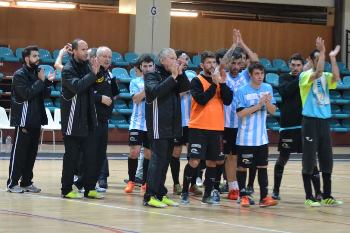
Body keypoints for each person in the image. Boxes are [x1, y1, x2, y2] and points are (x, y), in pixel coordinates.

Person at [180, 51, 233, 205]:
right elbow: (202, 100)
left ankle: (207, 194)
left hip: (216, 128)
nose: (211, 66)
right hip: (198, 127)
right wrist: (215, 84)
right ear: (202, 65)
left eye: (213, 63)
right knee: (195, 161)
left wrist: (221, 84)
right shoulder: (196, 81)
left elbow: (228, 100)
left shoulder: (220, 80)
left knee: (212, 162)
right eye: (208, 63)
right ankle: (185, 192)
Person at [143, 48, 190, 208]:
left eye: (176, 58)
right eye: (172, 58)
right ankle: (149, 196)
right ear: (162, 60)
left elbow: (185, 88)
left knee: (165, 160)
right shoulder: (151, 75)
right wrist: (174, 76)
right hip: (158, 124)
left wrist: (180, 73)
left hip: (172, 124)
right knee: (157, 160)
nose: (175, 61)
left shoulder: (173, 75)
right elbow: (156, 91)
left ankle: (160, 193)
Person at [299, 37, 343, 207]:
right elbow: (316, 73)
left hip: (324, 122)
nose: (320, 62)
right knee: (309, 160)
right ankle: (309, 196)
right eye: (317, 59)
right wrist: (323, 52)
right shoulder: (305, 75)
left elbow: (337, 78)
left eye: (321, 58)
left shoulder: (326, 75)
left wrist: (332, 58)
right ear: (311, 60)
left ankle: (327, 195)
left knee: (326, 159)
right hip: (310, 122)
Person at [272, 53, 321, 200]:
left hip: (305, 125)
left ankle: (318, 192)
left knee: (311, 159)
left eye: (298, 65)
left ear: (302, 66)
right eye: (293, 65)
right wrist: (301, 76)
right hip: (288, 126)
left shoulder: (307, 77)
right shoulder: (283, 78)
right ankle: (275, 190)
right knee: (283, 158)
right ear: (289, 65)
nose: (295, 68)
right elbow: (286, 91)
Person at [7, 45, 54, 193]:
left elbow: (44, 95)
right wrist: (41, 81)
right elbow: (26, 94)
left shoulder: (37, 73)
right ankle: (12, 183)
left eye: (38, 56)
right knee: (19, 153)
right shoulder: (19, 75)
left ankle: (26, 182)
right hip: (23, 119)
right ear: (27, 58)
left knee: (31, 153)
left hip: (36, 119)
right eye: (35, 56)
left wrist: (47, 82)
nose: (38, 59)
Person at [60, 39, 102, 199]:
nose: (86, 52)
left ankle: (90, 188)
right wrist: (93, 74)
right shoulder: (68, 69)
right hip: (73, 120)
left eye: (87, 49)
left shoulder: (87, 66)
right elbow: (78, 86)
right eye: (83, 49)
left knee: (90, 156)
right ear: (75, 51)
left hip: (88, 118)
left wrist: (95, 72)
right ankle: (66, 189)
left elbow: (95, 82)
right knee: (72, 157)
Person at [235, 62, 278, 208]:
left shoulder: (268, 88)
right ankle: (243, 196)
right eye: (257, 74)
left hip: (261, 138)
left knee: (262, 167)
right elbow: (240, 113)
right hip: (245, 138)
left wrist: (266, 103)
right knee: (242, 167)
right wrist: (258, 106)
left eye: (262, 74)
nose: (260, 77)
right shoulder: (242, 90)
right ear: (250, 75)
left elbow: (273, 111)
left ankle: (264, 197)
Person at [124, 54, 154, 193]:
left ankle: (145, 183)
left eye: (150, 66)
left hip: (152, 124)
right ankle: (131, 180)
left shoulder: (159, 81)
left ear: (153, 66)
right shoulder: (135, 82)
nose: (147, 69)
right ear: (140, 68)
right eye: (145, 66)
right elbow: (136, 99)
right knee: (134, 152)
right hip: (137, 123)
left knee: (148, 154)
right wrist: (148, 86)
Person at [93, 46, 120, 191]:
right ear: (97, 57)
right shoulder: (93, 73)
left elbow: (115, 93)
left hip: (104, 118)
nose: (108, 59)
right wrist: (100, 98)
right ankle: (91, 178)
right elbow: (85, 93)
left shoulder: (109, 74)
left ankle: (102, 177)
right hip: (93, 117)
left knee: (102, 149)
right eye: (105, 56)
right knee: (92, 149)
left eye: (110, 57)